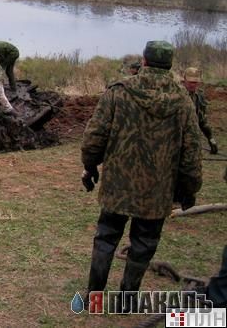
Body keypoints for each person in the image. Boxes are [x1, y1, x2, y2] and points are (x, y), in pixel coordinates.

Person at [81, 40, 202, 310]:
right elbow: (191, 152)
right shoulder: (183, 100)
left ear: (144, 61)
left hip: (118, 185)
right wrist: (189, 189)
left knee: (106, 237)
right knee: (144, 243)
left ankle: (94, 298)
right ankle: (126, 300)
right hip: (157, 191)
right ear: (170, 65)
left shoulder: (119, 91)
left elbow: (94, 136)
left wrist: (90, 166)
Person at [183, 67, 219, 154]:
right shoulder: (176, 95)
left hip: (192, 140)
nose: (193, 85)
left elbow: (202, 120)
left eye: (195, 82)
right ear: (184, 80)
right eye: (190, 82)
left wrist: (211, 139)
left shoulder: (199, 96)